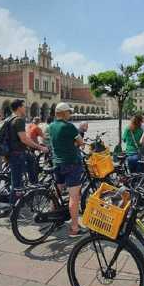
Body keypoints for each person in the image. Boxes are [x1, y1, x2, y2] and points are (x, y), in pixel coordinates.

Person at [48, 103, 85, 236]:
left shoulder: (51, 126)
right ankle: (74, 228)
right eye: (69, 112)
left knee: (57, 192)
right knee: (74, 197)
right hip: (72, 163)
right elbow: (81, 143)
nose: (70, 114)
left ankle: (54, 219)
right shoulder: (69, 126)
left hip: (57, 163)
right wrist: (74, 143)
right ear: (63, 113)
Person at [7, 99, 48, 203]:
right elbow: (24, 139)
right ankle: (13, 208)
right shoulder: (19, 120)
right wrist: (40, 147)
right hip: (17, 154)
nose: (25, 108)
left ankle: (33, 185)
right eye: (23, 106)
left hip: (11, 153)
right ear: (19, 107)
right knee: (17, 184)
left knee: (31, 159)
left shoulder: (9, 119)